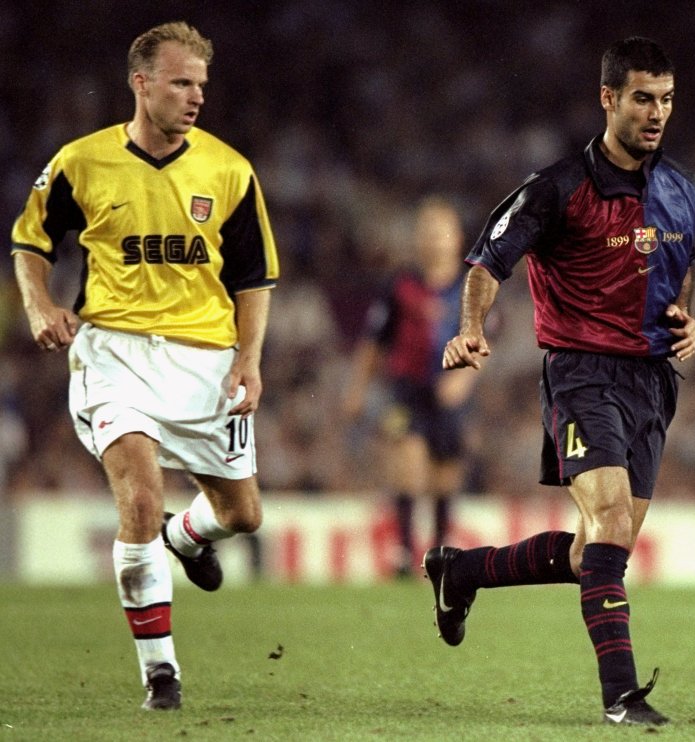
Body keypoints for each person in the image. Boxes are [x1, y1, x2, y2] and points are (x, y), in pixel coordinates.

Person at [424, 36, 695, 727]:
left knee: (595, 554)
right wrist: (472, 328)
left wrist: (684, 320)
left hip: (653, 382)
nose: (657, 113)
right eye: (642, 98)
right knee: (608, 524)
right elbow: (488, 262)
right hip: (583, 375)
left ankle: (462, 571)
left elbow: (679, 264)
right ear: (608, 99)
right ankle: (621, 696)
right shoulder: (558, 189)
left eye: (666, 100)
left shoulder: (685, 189)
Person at [11, 21, 279, 711]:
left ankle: (184, 537)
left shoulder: (229, 170)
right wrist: (39, 304)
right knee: (136, 497)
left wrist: (249, 359)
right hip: (116, 353)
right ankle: (161, 671)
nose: (195, 97)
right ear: (141, 83)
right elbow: (29, 241)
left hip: (206, 360)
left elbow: (252, 278)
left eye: (201, 85)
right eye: (181, 82)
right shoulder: (82, 160)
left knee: (243, 515)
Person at [343, 197, 477, 576]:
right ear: (418, 240)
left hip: (451, 393)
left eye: (441, 233)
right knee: (408, 456)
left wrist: (463, 378)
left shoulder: (470, 286)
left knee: (444, 474)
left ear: (456, 238)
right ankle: (403, 551)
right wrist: (357, 389)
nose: (434, 241)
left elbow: (487, 337)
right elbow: (374, 342)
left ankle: (438, 551)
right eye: (427, 233)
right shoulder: (399, 285)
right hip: (407, 389)